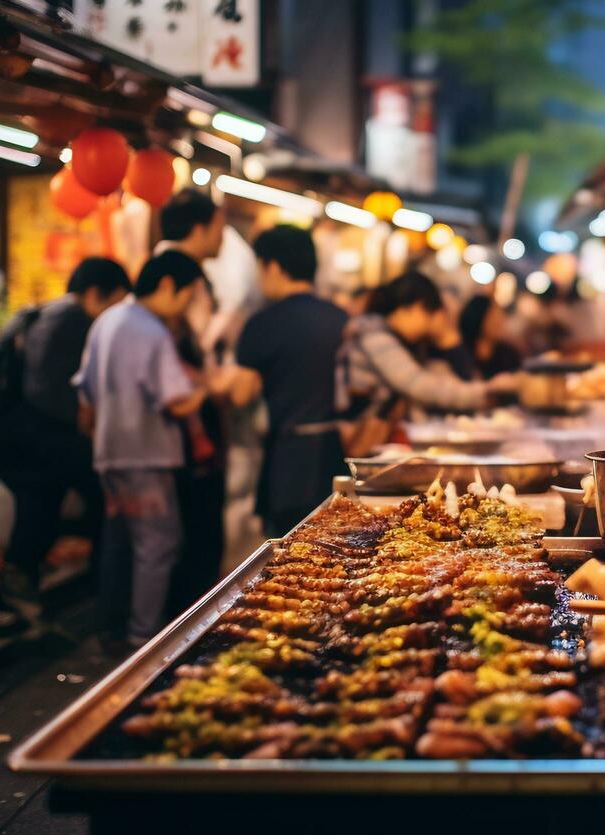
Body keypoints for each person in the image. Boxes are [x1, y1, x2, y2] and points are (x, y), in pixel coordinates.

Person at [0, 257, 130, 629]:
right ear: (96, 293)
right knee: (92, 499)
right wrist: (88, 423)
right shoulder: (70, 320)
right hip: (38, 442)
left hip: (31, 440)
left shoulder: (58, 314)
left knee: (42, 513)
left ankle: (27, 603)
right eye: (117, 301)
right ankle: (89, 598)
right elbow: (49, 391)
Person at [74, 251, 208, 647]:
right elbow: (176, 400)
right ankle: (143, 640)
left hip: (109, 454)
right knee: (158, 544)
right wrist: (207, 389)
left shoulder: (107, 320)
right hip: (145, 456)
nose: (185, 307)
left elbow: (85, 396)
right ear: (168, 285)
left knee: (119, 542)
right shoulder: (151, 330)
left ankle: (110, 630)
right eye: (188, 296)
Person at [214, 226, 348, 538]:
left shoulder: (263, 323)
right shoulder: (341, 318)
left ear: (273, 266)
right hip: (339, 453)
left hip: (289, 463)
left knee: (290, 558)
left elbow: (241, 394)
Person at [155, 190, 228, 616]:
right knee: (194, 528)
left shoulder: (183, 272)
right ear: (200, 228)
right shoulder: (177, 277)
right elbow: (187, 353)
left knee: (194, 529)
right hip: (188, 421)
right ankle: (188, 621)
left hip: (194, 417)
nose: (223, 237)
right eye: (219, 227)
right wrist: (215, 384)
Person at [338, 272, 512, 419]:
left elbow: (448, 379)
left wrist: (451, 343)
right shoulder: (374, 334)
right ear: (414, 307)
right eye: (430, 314)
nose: (431, 323)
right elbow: (421, 387)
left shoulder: (403, 341)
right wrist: (489, 392)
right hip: (358, 434)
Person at [457, 294, 524, 379]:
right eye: (494, 317)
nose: (500, 321)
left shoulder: (509, 355)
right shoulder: (461, 353)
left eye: (500, 315)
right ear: (479, 317)